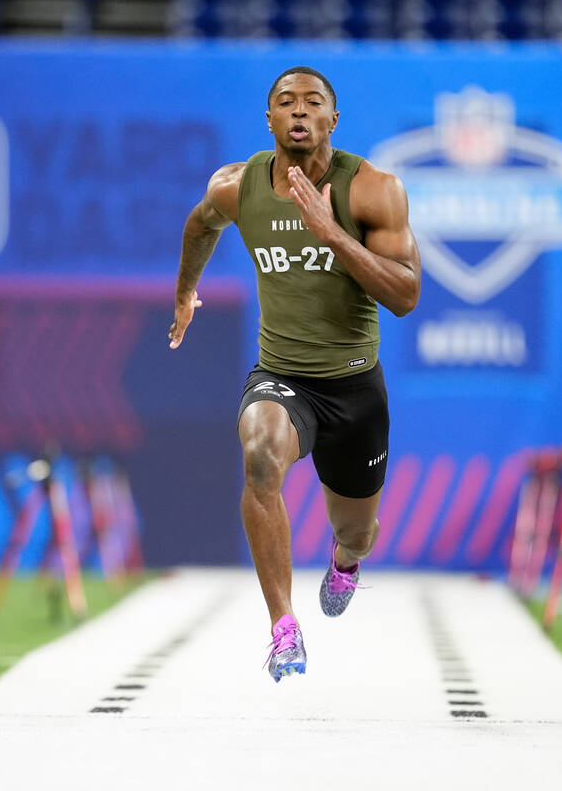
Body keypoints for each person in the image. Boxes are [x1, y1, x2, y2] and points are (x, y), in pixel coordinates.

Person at [167, 66, 421, 682]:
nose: (299, 111)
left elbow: (406, 294)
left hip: (356, 388)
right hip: (283, 377)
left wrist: (330, 232)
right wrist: (186, 292)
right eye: (286, 102)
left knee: (357, 532)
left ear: (334, 119)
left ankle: (345, 561)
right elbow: (200, 224)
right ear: (270, 119)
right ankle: (284, 627)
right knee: (259, 455)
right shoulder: (237, 185)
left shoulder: (373, 190)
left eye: (314, 103)